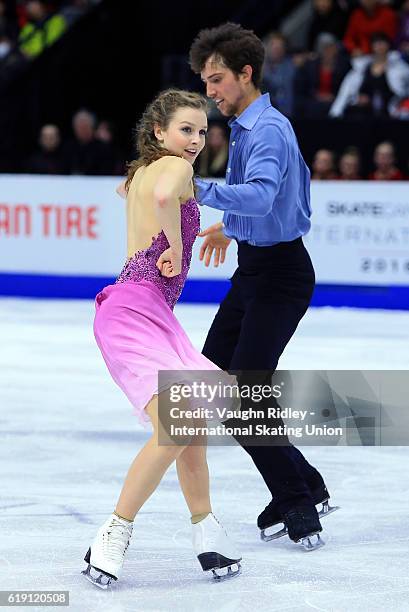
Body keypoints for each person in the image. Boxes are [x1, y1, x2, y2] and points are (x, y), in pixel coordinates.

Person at [82, 89, 241, 588]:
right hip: (134, 312)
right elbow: (162, 196)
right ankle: (114, 530)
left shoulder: (140, 171)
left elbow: (137, 192)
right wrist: (174, 243)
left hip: (142, 311)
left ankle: (206, 529)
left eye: (201, 130)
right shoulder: (175, 169)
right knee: (179, 423)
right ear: (159, 132)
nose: (195, 140)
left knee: (189, 421)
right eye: (185, 130)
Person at [189, 23, 337, 551]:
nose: (210, 92)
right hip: (255, 270)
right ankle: (308, 483)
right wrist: (227, 228)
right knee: (219, 382)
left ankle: (296, 500)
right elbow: (261, 205)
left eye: (217, 79)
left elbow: (260, 196)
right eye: (206, 82)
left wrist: (196, 188)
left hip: (280, 277)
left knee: (247, 394)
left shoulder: (267, 129)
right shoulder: (250, 128)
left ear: (245, 74)